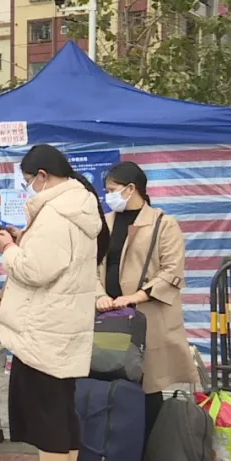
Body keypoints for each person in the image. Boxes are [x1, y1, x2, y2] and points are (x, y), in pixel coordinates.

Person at [0, 144, 110, 461]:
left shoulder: (57, 212)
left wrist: (8, 248)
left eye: (29, 181)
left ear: (43, 175)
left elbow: (36, 270)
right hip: (63, 327)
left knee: (49, 418)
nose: (28, 188)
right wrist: (22, 241)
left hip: (43, 330)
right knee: (62, 414)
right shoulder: (78, 206)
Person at [96, 161, 197, 443]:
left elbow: (172, 271)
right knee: (110, 378)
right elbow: (90, 266)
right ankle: (115, 451)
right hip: (108, 317)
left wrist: (136, 297)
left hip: (146, 316)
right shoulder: (104, 223)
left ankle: (149, 452)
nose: (109, 196)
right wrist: (100, 295)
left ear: (131, 189)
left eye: (112, 189)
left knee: (147, 384)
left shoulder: (163, 224)